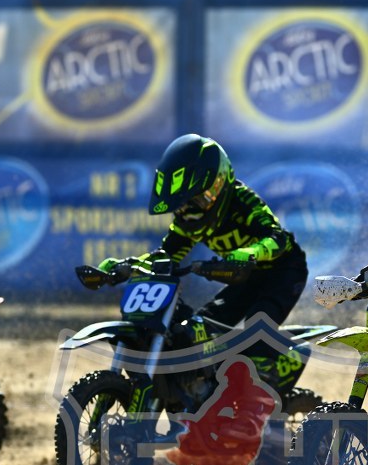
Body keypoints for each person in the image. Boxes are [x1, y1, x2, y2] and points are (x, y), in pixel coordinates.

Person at [99, 133, 308, 385]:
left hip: (284, 272)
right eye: (183, 206)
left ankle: (277, 374)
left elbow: (280, 238)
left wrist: (249, 253)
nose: (190, 212)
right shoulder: (188, 222)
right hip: (244, 277)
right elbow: (164, 257)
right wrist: (125, 266)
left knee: (256, 329)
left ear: (219, 184)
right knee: (203, 329)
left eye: (197, 201)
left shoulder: (242, 201)